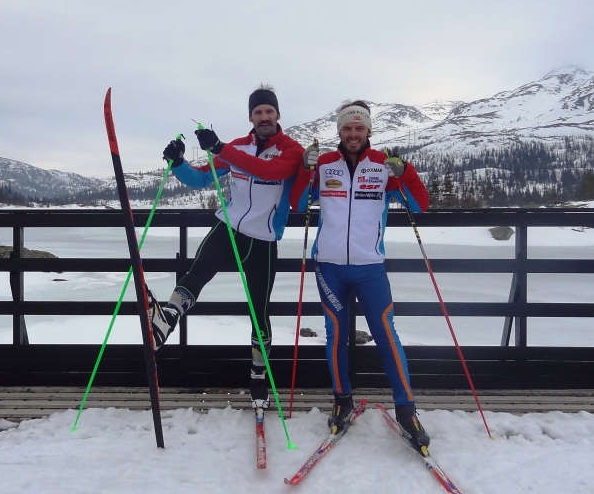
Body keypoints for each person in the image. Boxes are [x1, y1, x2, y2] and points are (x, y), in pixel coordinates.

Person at [151, 85, 305, 409]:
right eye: (258, 112)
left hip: (262, 239)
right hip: (229, 228)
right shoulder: (237, 147)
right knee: (199, 270)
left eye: (269, 111)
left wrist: (220, 147)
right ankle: (168, 316)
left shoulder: (291, 150)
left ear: (278, 115)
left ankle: (258, 375)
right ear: (251, 117)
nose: (264, 117)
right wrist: (177, 162)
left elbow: (269, 171)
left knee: (259, 311)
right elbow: (200, 179)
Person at [291, 100, 432, 451]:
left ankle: (407, 410)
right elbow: (297, 203)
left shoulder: (383, 165)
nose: (353, 134)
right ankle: (342, 399)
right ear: (339, 130)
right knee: (336, 335)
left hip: (370, 267)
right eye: (347, 128)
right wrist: (305, 170)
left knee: (386, 335)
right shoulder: (324, 163)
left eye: (359, 128)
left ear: (369, 130)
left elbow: (420, 205)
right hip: (329, 266)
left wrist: (405, 172)